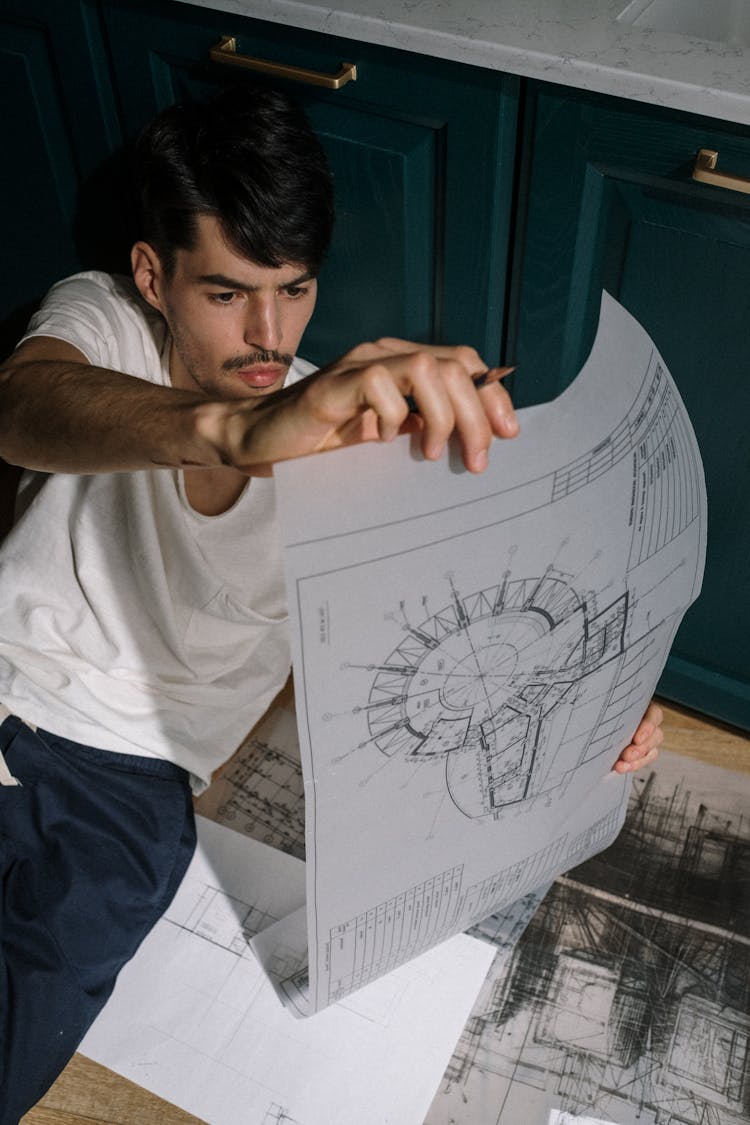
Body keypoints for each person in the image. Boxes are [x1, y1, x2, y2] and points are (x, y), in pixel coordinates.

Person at [0, 84, 663, 1119]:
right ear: (152, 276)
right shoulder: (102, 317)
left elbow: (468, 627)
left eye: (295, 289)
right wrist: (237, 431)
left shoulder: (345, 436)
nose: (268, 337)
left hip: (123, 781)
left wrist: (600, 697)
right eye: (225, 294)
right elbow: (23, 406)